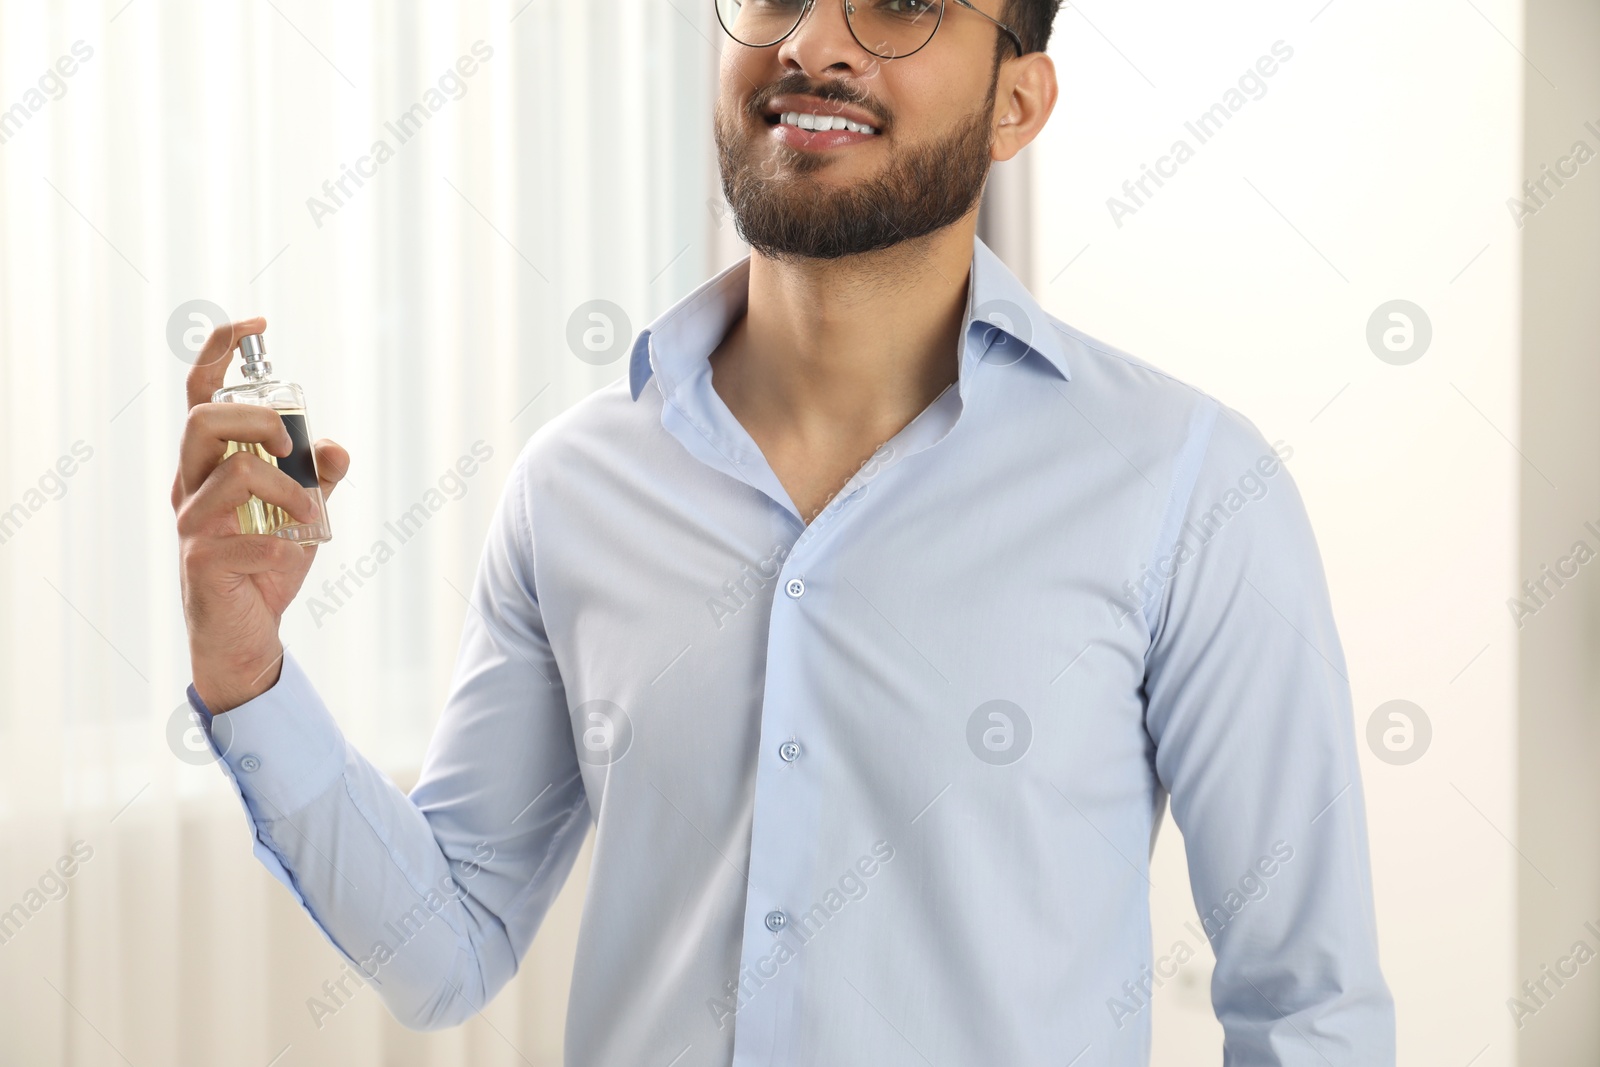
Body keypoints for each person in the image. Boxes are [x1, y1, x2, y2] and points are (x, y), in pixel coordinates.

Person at [172, 1, 1395, 1062]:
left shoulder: (1185, 484)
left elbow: (1306, 1007)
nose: (813, 45)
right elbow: (444, 945)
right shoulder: (575, 485)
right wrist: (247, 670)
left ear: (1017, 102)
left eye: (904, 4)